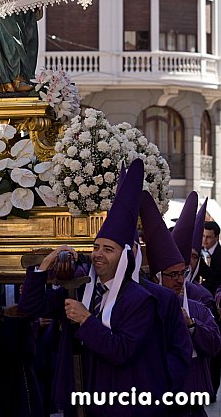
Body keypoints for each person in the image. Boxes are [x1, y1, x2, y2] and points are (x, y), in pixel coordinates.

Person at [19, 159, 168, 416]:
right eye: (96, 247)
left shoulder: (140, 300)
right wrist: (44, 265)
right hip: (79, 398)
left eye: (108, 249)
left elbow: (122, 351)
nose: (98, 254)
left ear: (125, 257)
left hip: (117, 403)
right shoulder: (78, 289)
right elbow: (30, 306)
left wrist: (86, 319)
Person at [140, 191, 221, 416]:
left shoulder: (199, 304)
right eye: (172, 275)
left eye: (182, 273)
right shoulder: (145, 305)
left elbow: (215, 345)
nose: (179, 280)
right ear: (157, 276)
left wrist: (192, 325)